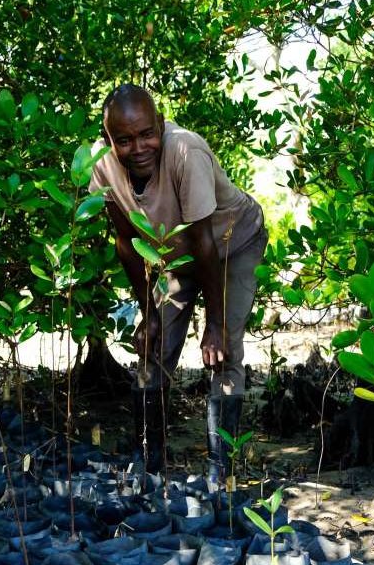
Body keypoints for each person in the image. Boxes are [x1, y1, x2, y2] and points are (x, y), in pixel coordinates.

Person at [89, 83, 267, 484]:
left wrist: (215, 325)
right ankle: (149, 460)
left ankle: (222, 469)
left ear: (161, 125)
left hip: (232, 242)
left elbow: (205, 243)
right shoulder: (101, 168)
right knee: (153, 349)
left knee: (224, 351)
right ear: (108, 141)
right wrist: (148, 315)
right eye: (125, 140)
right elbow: (127, 243)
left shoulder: (187, 152)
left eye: (147, 134)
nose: (139, 147)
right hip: (177, 255)